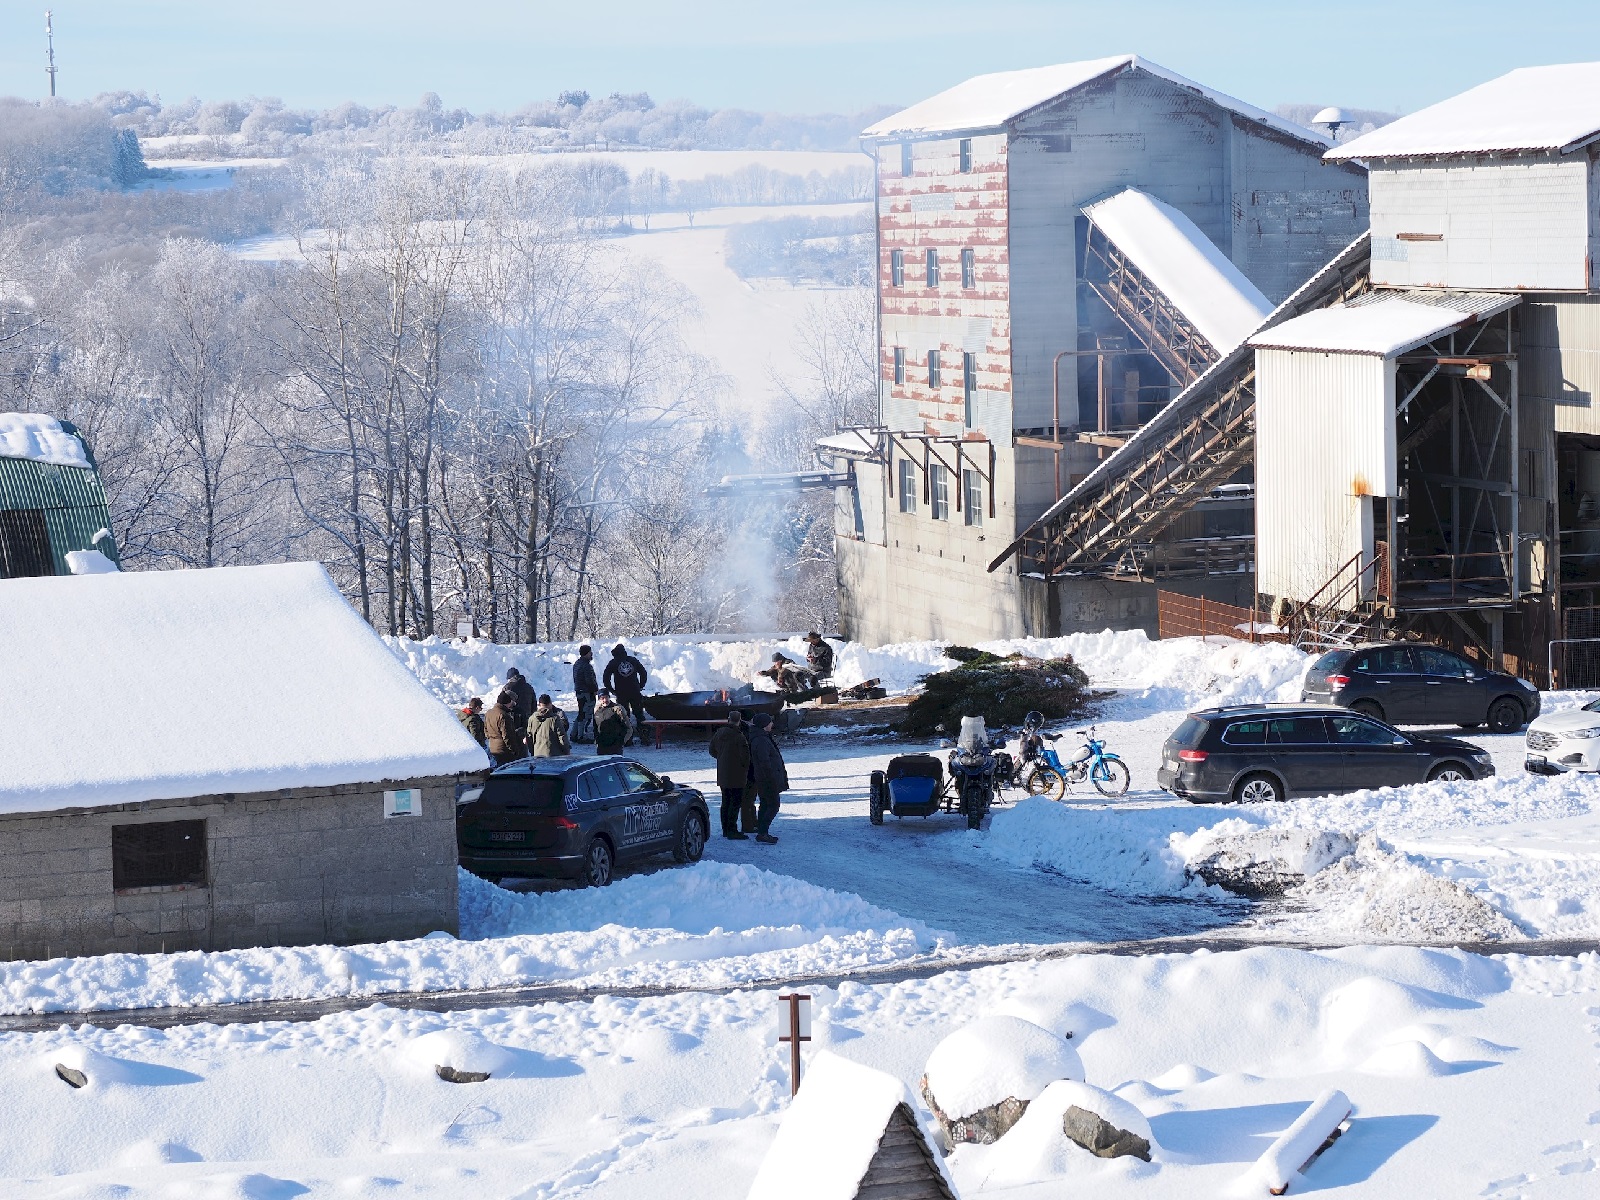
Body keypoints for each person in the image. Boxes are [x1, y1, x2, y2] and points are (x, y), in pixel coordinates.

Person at [708, 710, 752, 840]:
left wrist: (721, 758)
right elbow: (745, 757)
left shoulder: (719, 733)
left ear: (728, 719)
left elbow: (711, 750)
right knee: (735, 803)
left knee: (725, 802)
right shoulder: (739, 736)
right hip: (737, 775)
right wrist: (744, 768)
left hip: (723, 773)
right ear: (739, 720)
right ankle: (732, 830)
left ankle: (725, 829)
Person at [747, 712, 790, 844]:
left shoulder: (761, 737)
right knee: (773, 805)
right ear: (764, 725)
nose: (772, 724)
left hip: (765, 778)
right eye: (769, 722)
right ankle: (762, 832)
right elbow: (764, 761)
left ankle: (762, 831)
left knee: (766, 805)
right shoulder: (760, 740)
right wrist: (771, 778)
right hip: (767, 779)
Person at [603, 644, 650, 738]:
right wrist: (640, 685)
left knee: (624, 716)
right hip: (635, 691)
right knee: (639, 714)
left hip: (621, 693)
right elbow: (643, 673)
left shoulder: (613, 662)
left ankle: (627, 738)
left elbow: (606, 678)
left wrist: (611, 690)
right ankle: (644, 735)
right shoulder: (633, 660)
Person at [484, 690, 526, 765]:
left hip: (493, 747)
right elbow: (507, 736)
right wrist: (514, 750)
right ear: (507, 703)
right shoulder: (503, 715)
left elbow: (486, 730)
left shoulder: (489, 713)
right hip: (504, 750)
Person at [572, 645, 598, 743]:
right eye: (590, 652)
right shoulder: (586, 665)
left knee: (581, 713)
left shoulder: (577, 663)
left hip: (579, 692)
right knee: (586, 714)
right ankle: (581, 736)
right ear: (587, 653)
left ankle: (574, 734)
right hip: (587, 693)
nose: (591, 654)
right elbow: (589, 680)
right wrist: (595, 690)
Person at [593, 690, 630, 756]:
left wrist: (621, 742)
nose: (605, 700)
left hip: (615, 746)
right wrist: (597, 741)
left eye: (606, 697)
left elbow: (628, 728)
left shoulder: (617, 709)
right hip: (602, 746)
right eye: (602, 698)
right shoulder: (597, 711)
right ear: (599, 699)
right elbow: (595, 728)